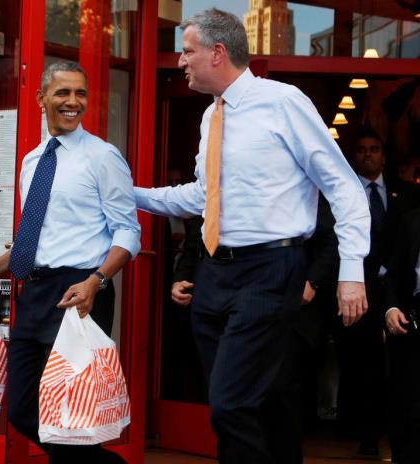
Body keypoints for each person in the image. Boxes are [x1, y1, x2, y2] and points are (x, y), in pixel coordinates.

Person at [134, 9, 370, 464]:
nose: (181, 61)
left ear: (218, 53)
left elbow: (343, 187)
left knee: (231, 406)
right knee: (246, 407)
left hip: (270, 271)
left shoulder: (283, 102)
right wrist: (132, 196)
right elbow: (203, 197)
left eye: (188, 52)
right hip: (214, 276)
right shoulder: (210, 117)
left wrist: (351, 273)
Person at [0, 61, 140, 464]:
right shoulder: (32, 161)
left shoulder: (103, 157)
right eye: (63, 92)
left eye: (80, 93)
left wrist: (97, 280)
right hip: (37, 290)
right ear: (41, 98)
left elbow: (128, 232)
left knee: (70, 412)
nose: (73, 102)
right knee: (25, 410)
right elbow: (37, 235)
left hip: (80, 292)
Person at [171, 196, 339, 464]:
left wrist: (311, 284)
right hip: (221, 308)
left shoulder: (288, 185)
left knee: (277, 403)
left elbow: (331, 239)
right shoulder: (223, 186)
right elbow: (200, 238)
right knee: (228, 405)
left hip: (283, 310)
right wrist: (182, 276)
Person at [334, 128, 417, 455]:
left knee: (401, 369)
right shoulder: (341, 191)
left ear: (384, 155)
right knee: (359, 366)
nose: (367, 155)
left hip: (399, 294)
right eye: (361, 149)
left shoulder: (408, 194)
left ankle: (400, 438)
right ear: (353, 156)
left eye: (374, 149)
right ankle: (364, 436)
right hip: (353, 291)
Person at [383, 208, 420, 464]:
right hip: (414, 317)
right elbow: (391, 273)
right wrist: (391, 307)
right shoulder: (411, 218)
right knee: (410, 403)